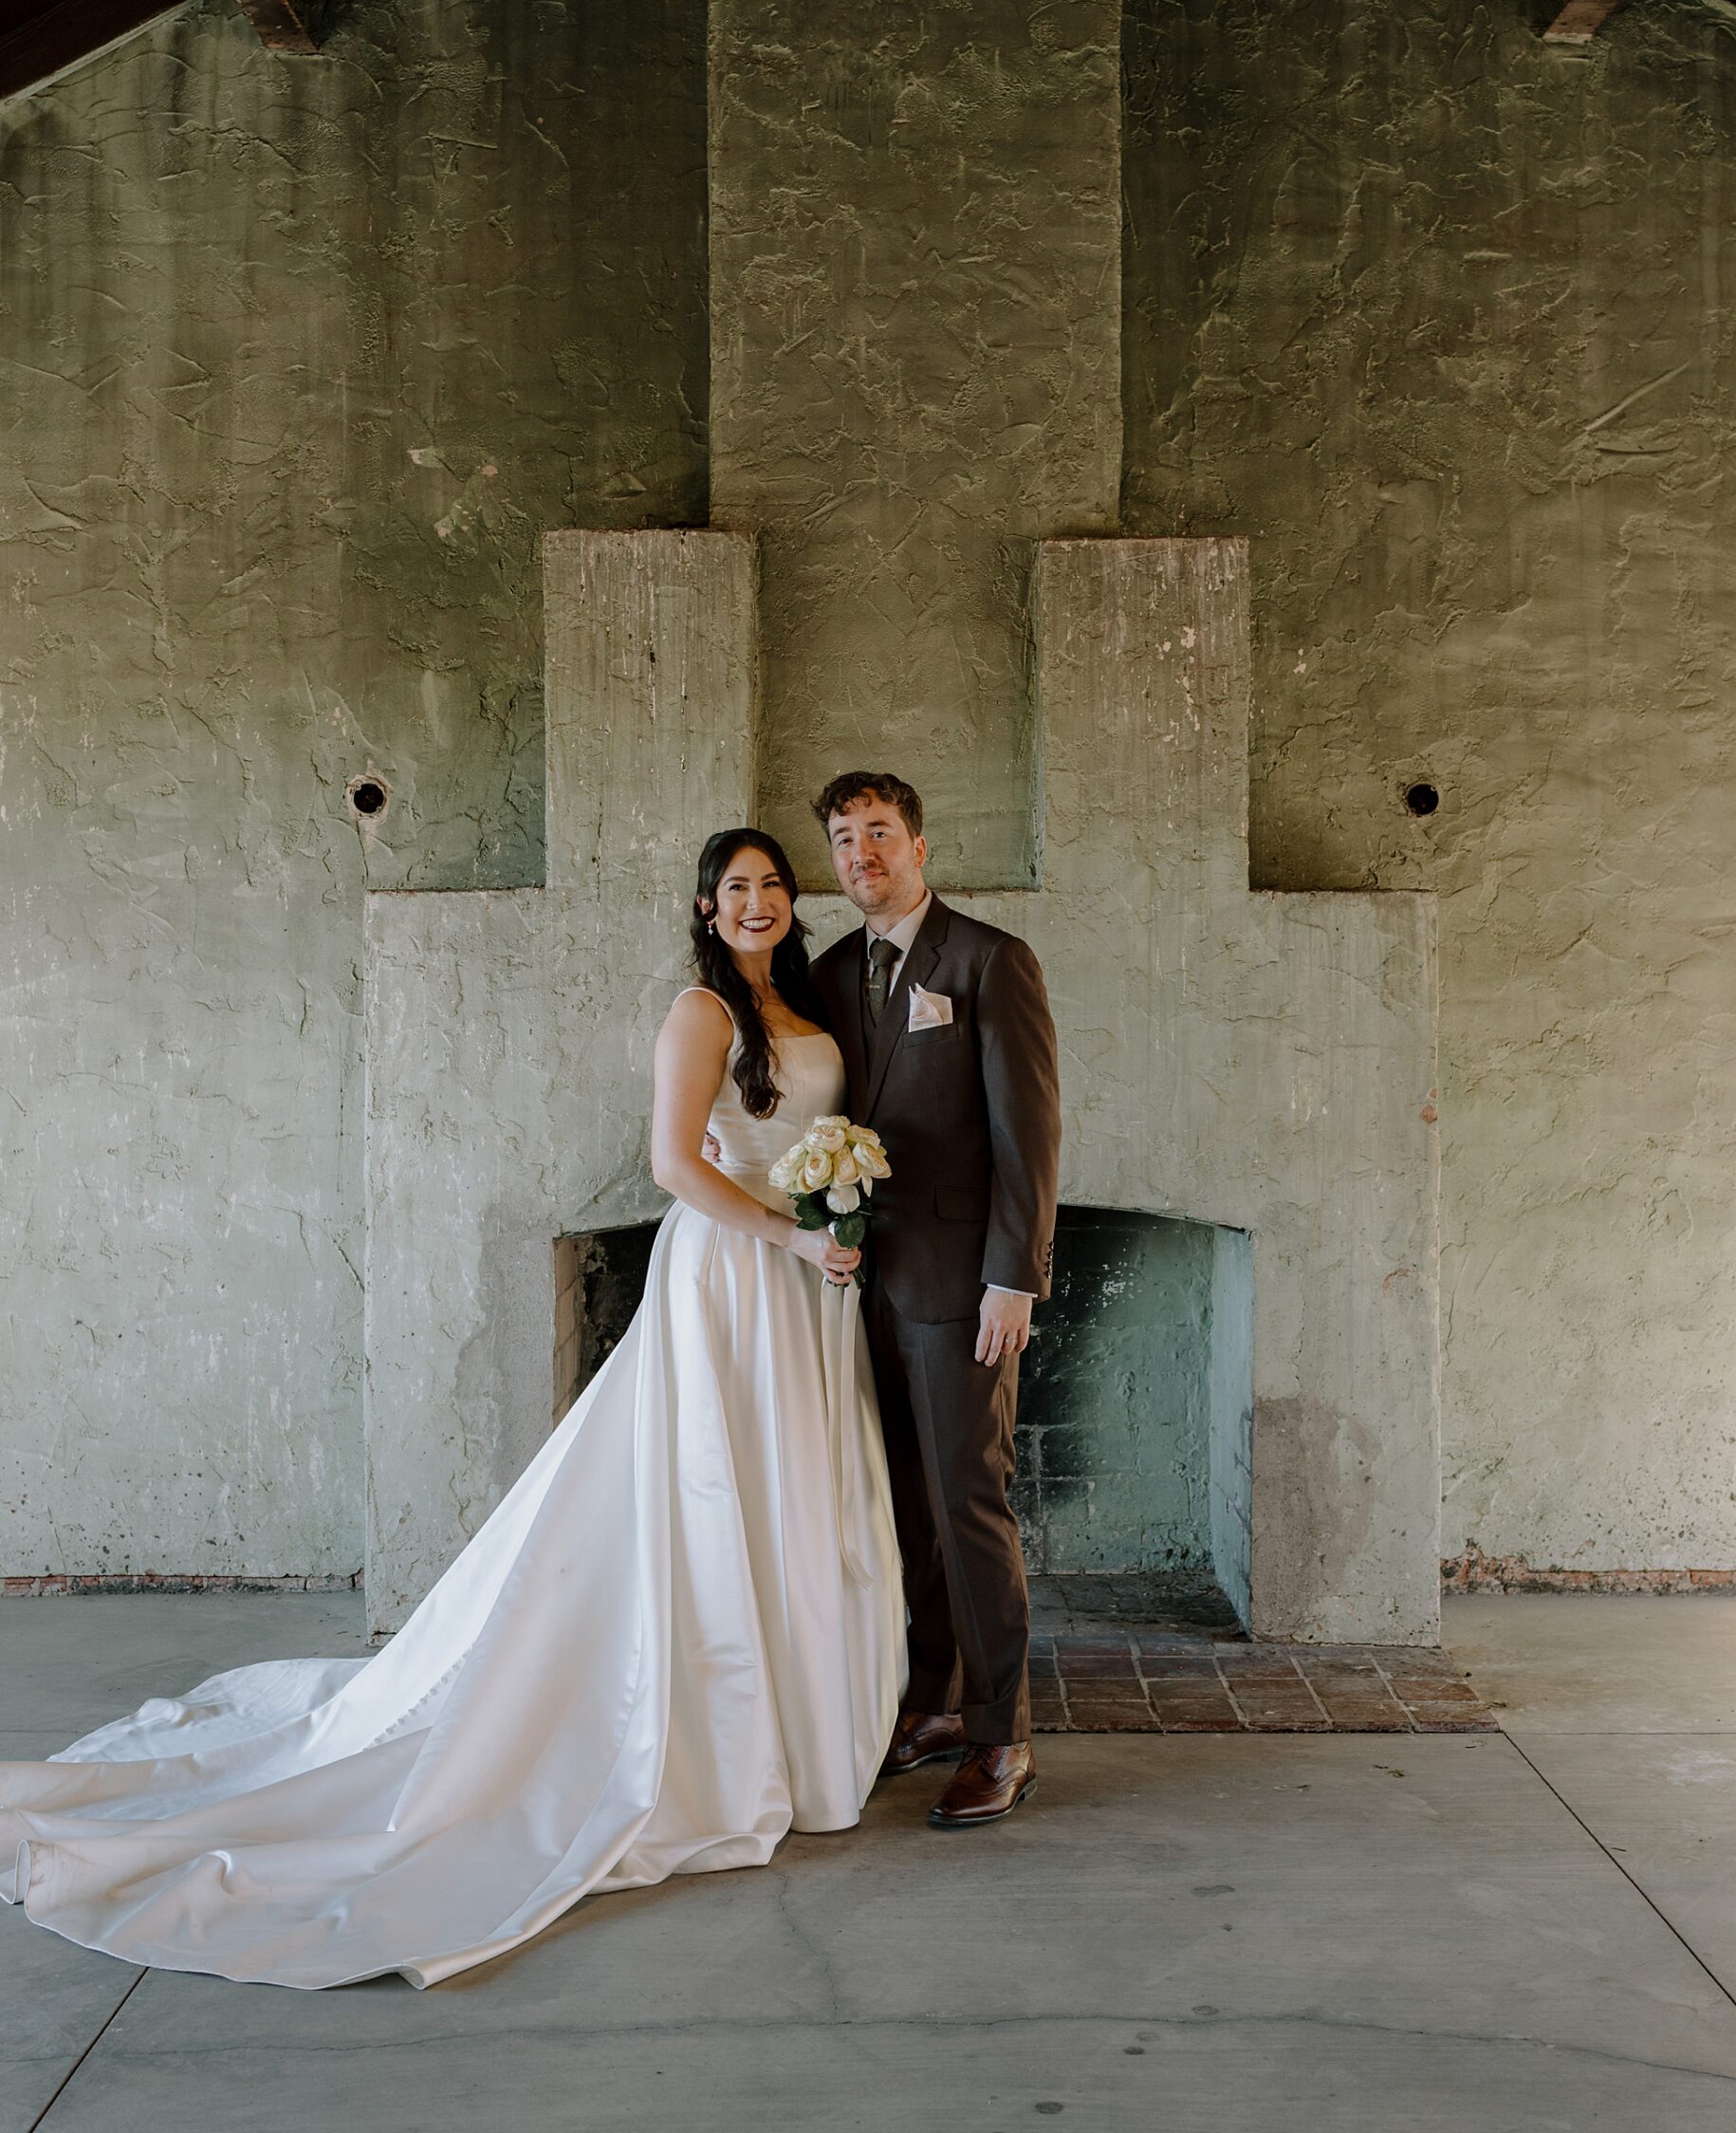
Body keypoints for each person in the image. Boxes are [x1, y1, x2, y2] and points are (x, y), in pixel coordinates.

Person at [0, 830, 905, 1990]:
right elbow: (676, 1163)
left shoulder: (813, 999)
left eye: (775, 884)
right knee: (712, 1485)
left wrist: (834, 1218)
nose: (760, 901)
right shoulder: (700, 1010)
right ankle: (712, 1726)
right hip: (733, 1272)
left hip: (806, 1285)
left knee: (795, 1485)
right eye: (738, 888)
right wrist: (789, 1231)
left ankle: (803, 1717)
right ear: (706, 904)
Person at [808, 772, 1061, 1827]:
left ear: (919, 843)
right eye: (842, 837)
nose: (861, 852)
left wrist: (1015, 1276)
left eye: (879, 832)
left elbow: (1029, 1135)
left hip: (964, 1290)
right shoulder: (824, 975)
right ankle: (935, 1704)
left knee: (969, 1504)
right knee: (902, 1506)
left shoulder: (990, 959)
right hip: (863, 1288)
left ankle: (1003, 1733)